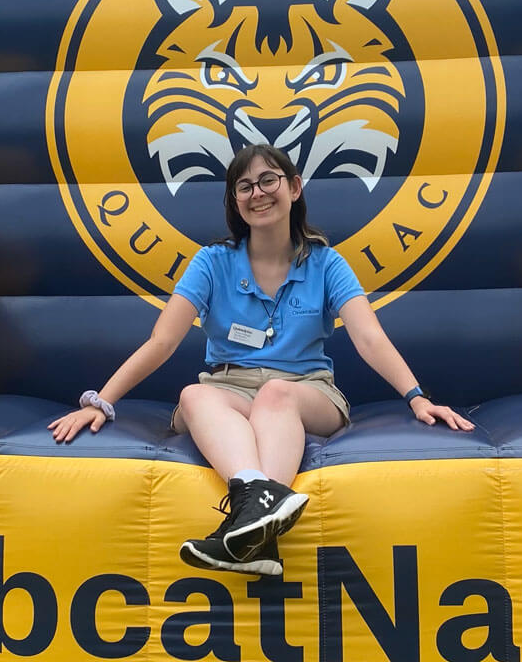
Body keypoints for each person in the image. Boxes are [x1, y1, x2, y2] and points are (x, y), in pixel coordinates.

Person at [48, 143, 473, 576]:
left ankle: (248, 516)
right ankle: (258, 526)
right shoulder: (212, 262)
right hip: (227, 387)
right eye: (244, 186)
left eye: (268, 180)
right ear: (236, 202)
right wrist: (98, 402)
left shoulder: (327, 263)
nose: (258, 193)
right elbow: (162, 341)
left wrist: (417, 397)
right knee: (194, 395)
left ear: (294, 188)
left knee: (275, 393)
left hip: (306, 391)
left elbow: (369, 337)